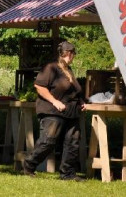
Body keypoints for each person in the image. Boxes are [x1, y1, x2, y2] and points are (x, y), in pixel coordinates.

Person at [23, 41, 86, 181]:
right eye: (67, 53)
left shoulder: (69, 71)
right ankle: (29, 164)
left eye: (72, 53)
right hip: (52, 111)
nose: (70, 56)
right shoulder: (51, 68)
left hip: (71, 111)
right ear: (62, 54)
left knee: (73, 142)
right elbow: (39, 86)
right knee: (48, 141)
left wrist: (81, 102)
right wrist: (54, 101)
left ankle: (67, 173)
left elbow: (74, 91)